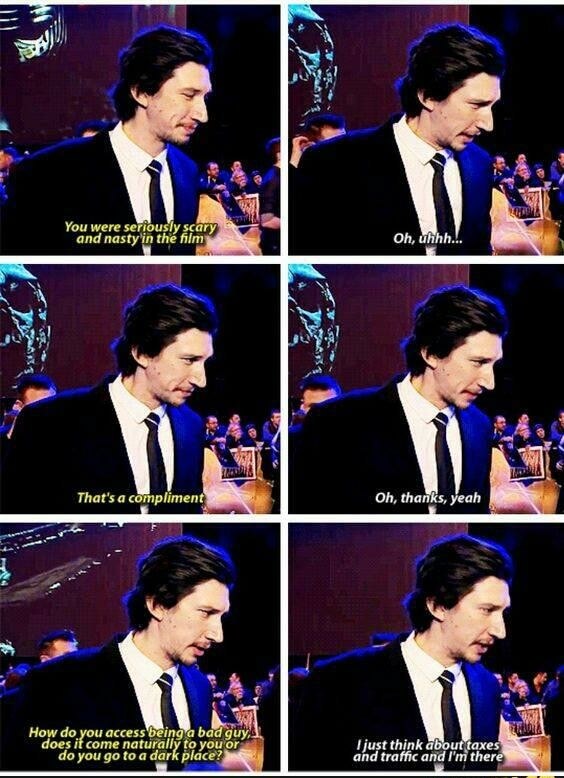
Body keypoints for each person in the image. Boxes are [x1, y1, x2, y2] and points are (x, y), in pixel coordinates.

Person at [1, 536, 235, 771]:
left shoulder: (199, 687)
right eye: (206, 613)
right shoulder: (56, 684)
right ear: (157, 605)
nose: (218, 635)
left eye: (221, 617)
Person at [292, 534, 512, 772]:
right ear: (437, 605)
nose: (500, 631)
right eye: (487, 610)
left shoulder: (487, 687)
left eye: (502, 613)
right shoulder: (338, 683)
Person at [291, 24, 504, 255]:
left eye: (492, 106)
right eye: (476, 105)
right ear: (428, 96)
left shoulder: (479, 165)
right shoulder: (331, 163)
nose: (488, 124)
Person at [291, 285, 507, 514]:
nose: (489, 382)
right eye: (478, 362)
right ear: (431, 353)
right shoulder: (337, 422)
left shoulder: (479, 426)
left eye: (494, 364)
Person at [1, 284, 216, 514]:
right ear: (141, 353)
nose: (201, 380)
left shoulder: (191, 426)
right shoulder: (46, 423)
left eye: (204, 362)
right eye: (189, 360)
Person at [1, 26, 212, 256]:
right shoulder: (46, 174)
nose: (203, 114)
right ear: (141, 92)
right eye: (189, 95)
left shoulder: (187, 171)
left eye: (205, 97)